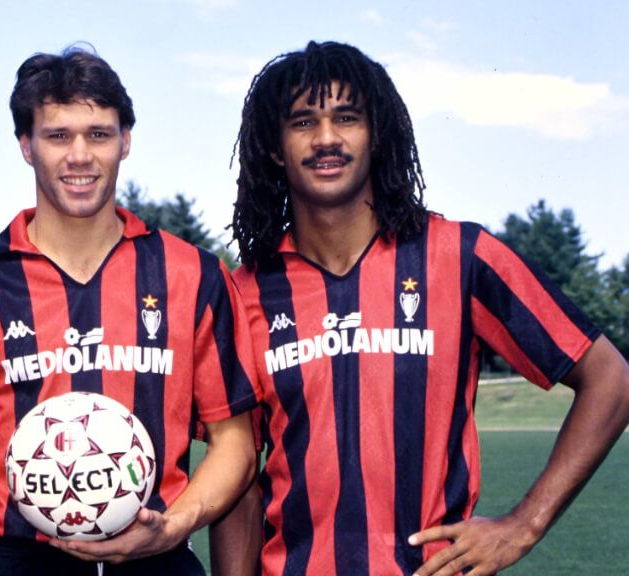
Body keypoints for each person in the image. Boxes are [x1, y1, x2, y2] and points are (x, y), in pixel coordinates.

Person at [220, 40, 629, 576]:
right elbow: (240, 478)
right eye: (302, 122)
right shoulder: (246, 293)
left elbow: (611, 379)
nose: (326, 139)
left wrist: (524, 525)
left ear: (376, 134)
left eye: (347, 117)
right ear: (275, 148)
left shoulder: (459, 256)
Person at [0, 46, 261, 576]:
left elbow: (235, 443)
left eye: (98, 134)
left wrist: (173, 525)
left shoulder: (194, 275)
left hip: (160, 560)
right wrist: (3, 556)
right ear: (26, 145)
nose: (79, 155)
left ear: (125, 141)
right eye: (57, 135)